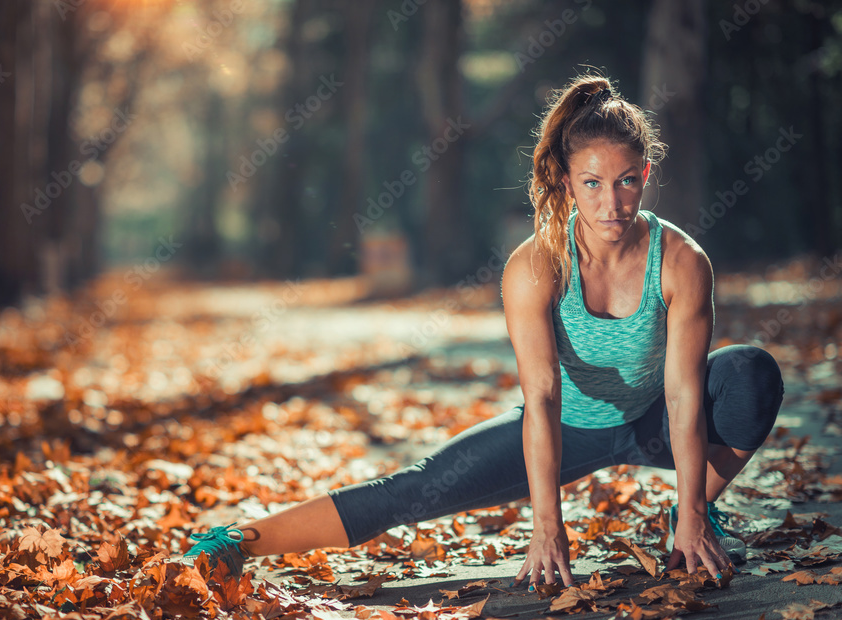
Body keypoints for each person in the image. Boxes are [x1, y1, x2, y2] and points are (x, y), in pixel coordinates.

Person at [179, 74, 785, 590]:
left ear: (646, 173)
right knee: (412, 489)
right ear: (568, 183)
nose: (611, 204)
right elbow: (542, 397)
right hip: (561, 427)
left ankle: (689, 514)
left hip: (655, 420)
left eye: (626, 180)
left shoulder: (680, 261)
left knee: (748, 374)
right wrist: (547, 524)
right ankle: (237, 541)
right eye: (593, 184)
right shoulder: (535, 265)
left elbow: (684, 396)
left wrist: (693, 511)